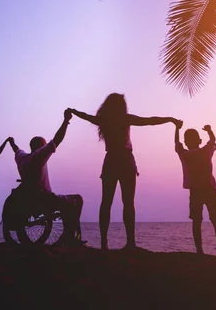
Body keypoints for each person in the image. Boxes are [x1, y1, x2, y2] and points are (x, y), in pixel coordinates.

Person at [69, 93, 180, 250]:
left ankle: (104, 243)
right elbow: (149, 121)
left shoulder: (104, 120)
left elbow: (86, 117)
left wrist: (73, 111)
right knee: (128, 203)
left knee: (106, 202)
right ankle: (130, 242)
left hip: (111, 161)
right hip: (125, 161)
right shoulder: (126, 118)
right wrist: (170, 119)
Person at [9, 109, 85, 246]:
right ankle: (68, 236)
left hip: (29, 198)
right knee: (77, 199)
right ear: (41, 148)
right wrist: (66, 121)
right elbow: (57, 139)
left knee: (65, 202)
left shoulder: (22, 158)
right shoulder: (38, 157)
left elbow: (16, 149)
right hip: (44, 198)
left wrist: (11, 142)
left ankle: (69, 235)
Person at [174, 122, 216, 257]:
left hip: (196, 191)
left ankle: (199, 251)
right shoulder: (205, 151)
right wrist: (209, 130)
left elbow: (177, 144)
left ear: (187, 142)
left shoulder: (185, 154)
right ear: (199, 140)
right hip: (209, 190)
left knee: (197, 221)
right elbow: (212, 140)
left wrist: (177, 128)